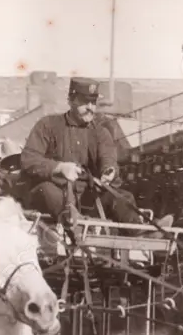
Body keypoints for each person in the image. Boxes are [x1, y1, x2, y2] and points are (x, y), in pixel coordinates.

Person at [20, 77, 173, 233]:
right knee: (47, 191)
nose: (90, 108)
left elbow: (108, 157)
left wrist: (109, 170)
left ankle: (144, 232)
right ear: (71, 100)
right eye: (84, 102)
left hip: (86, 195)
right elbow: (28, 159)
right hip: (56, 192)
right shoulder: (48, 125)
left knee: (122, 197)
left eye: (93, 103)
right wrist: (59, 167)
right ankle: (78, 228)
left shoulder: (100, 132)